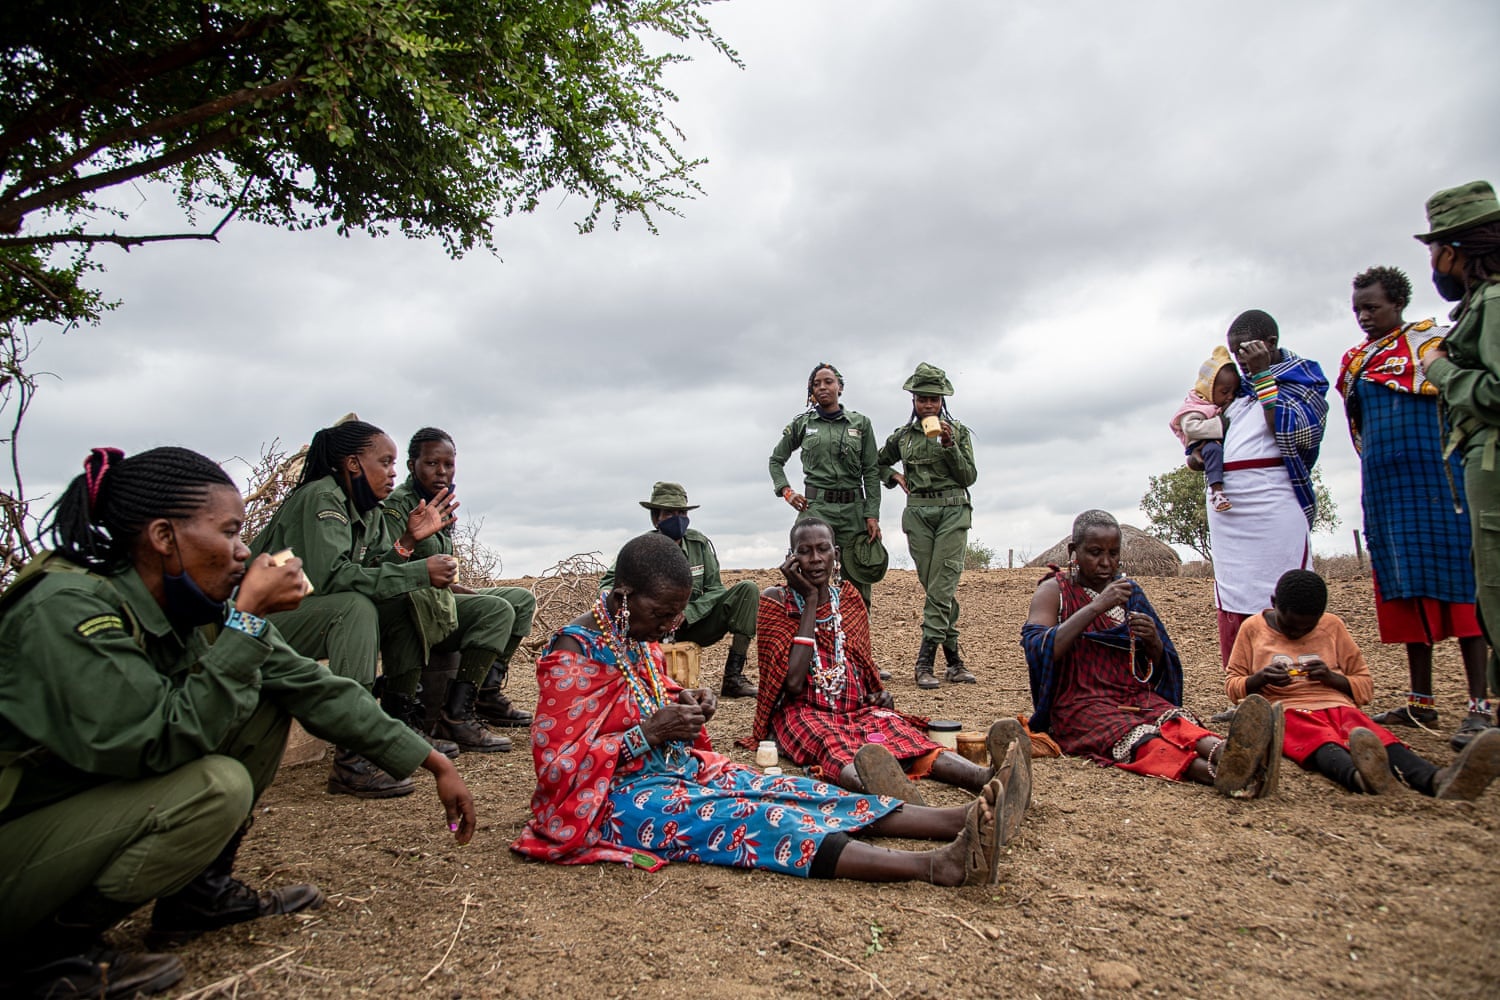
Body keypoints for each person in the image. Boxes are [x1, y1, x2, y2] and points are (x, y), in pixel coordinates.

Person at [0, 447, 474, 999]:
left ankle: (197, 893)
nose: (244, 551)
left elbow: (310, 684)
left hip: (66, 804)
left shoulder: (182, 600)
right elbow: (157, 740)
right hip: (19, 823)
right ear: (162, 536)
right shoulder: (69, 607)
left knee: (267, 694)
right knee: (214, 788)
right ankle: (36, 954)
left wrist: (429, 759)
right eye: (229, 532)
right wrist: (248, 619)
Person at [511, 533, 1030, 886]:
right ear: (624, 596)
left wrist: (687, 703)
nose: (671, 628)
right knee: (757, 819)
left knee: (796, 788)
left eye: (677, 616)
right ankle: (937, 867)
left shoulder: (633, 631)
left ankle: (961, 818)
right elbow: (558, 769)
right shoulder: (573, 655)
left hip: (675, 771)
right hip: (610, 801)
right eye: (662, 614)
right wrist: (647, 734)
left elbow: (651, 694)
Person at [747, 517, 1030, 817]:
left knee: (901, 733)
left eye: (823, 549)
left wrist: (877, 696)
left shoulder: (849, 599)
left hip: (856, 708)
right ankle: (889, 794)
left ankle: (988, 778)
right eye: (805, 551)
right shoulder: (775, 601)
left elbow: (860, 663)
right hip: (800, 711)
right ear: (791, 558)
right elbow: (791, 682)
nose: (815, 559)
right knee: (833, 746)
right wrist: (811, 599)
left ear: (836, 555)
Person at [250, 419, 465, 794]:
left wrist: (409, 541)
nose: (393, 472)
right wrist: (418, 572)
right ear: (353, 464)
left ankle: (398, 721)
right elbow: (332, 578)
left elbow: (380, 569)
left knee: (400, 603)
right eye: (385, 462)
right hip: (260, 621)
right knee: (354, 607)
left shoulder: (367, 510)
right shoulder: (323, 497)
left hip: (306, 615)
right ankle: (352, 757)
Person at [1337, 266, 1492, 749]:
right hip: (1386, 488)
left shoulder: (1432, 347)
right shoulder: (1358, 361)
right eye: (1358, 308)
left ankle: (1479, 706)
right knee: (1405, 588)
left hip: (1439, 483)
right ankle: (1421, 700)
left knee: (1461, 587)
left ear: (1398, 303)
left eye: (1373, 307)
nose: (1364, 316)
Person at [1021, 509, 1281, 796]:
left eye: (1113, 553)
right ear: (1074, 551)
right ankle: (1220, 777)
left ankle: (1232, 755)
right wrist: (1096, 607)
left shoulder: (1129, 592)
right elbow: (1038, 649)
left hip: (1133, 696)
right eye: (1095, 552)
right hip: (1080, 704)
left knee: (1176, 721)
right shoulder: (1053, 591)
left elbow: (1161, 663)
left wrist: (1153, 643)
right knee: (1144, 740)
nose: (1106, 562)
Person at [1226, 570, 1500, 799]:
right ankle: (1362, 779)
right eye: (1290, 626)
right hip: (1286, 711)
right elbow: (1233, 684)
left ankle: (1437, 780)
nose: (1297, 633)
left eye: (1307, 628)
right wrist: (1259, 679)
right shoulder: (1252, 629)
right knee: (1321, 742)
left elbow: (1365, 686)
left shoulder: (1332, 627)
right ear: (1274, 603)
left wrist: (1332, 678)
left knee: (1375, 737)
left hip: (1339, 706)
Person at [383, 428, 535, 746]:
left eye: (448, 465)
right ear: (412, 465)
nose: (441, 472)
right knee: (495, 611)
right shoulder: (400, 507)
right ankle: (455, 717)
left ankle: (486, 695)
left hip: (440, 597)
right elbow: (389, 568)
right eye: (431, 463)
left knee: (520, 600)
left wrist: (457, 587)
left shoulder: (440, 503)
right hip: (415, 605)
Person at [1417, 179, 1500, 744]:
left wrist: (1442, 369)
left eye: (1435, 251)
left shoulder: (1493, 302)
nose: (1434, 264)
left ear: (1457, 250)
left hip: (1493, 456)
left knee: (1494, 584)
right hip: (1478, 454)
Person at [1204, 309, 1329, 667]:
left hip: (1275, 502)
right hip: (1230, 513)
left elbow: (1294, 433)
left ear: (1270, 343)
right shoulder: (1234, 391)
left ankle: (1294, 681)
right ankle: (1244, 688)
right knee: (1234, 591)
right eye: (1236, 352)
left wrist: (1262, 376)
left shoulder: (1304, 381)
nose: (1241, 359)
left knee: (1284, 587)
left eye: (1246, 349)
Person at [600, 481, 759, 698]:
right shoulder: (642, 547)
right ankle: (638, 675)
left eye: (682, 512)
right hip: (652, 629)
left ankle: (733, 678)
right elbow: (609, 584)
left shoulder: (698, 544)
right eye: (669, 513)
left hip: (693, 625)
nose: (677, 518)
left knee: (747, 590)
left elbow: (715, 589)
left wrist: (689, 612)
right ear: (656, 518)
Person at [876, 363, 979, 688]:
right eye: (922, 399)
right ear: (914, 401)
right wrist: (893, 476)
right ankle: (955, 662)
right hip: (918, 513)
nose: (928, 405)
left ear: (942, 401)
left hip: (953, 511)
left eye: (934, 399)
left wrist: (949, 446)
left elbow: (969, 477)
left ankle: (925, 662)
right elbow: (877, 462)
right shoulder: (903, 437)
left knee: (941, 587)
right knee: (937, 589)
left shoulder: (957, 432)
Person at [769, 362, 886, 607]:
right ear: (811, 391)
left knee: (857, 580)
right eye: (816, 384)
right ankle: (809, 635)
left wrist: (871, 514)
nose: (822, 387)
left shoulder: (860, 424)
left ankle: (857, 638)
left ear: (840, 387)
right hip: (817, 508)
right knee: (806, 572)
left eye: (828, 382)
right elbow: (776, 460)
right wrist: (787, 492)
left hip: (854, 510)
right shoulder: (803, 425)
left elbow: (871, 472)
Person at [1168, 346, 1240, 513]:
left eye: (1233, 392)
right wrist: (1220, 424)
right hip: (1202, 444)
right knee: (1213, 451)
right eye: (1224, 392)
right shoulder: (1195, 406)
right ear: (1209, 389)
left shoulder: (1216, 404)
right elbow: (1191, 428)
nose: (1229, 396)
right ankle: (1217, 491)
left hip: (1213, 441)